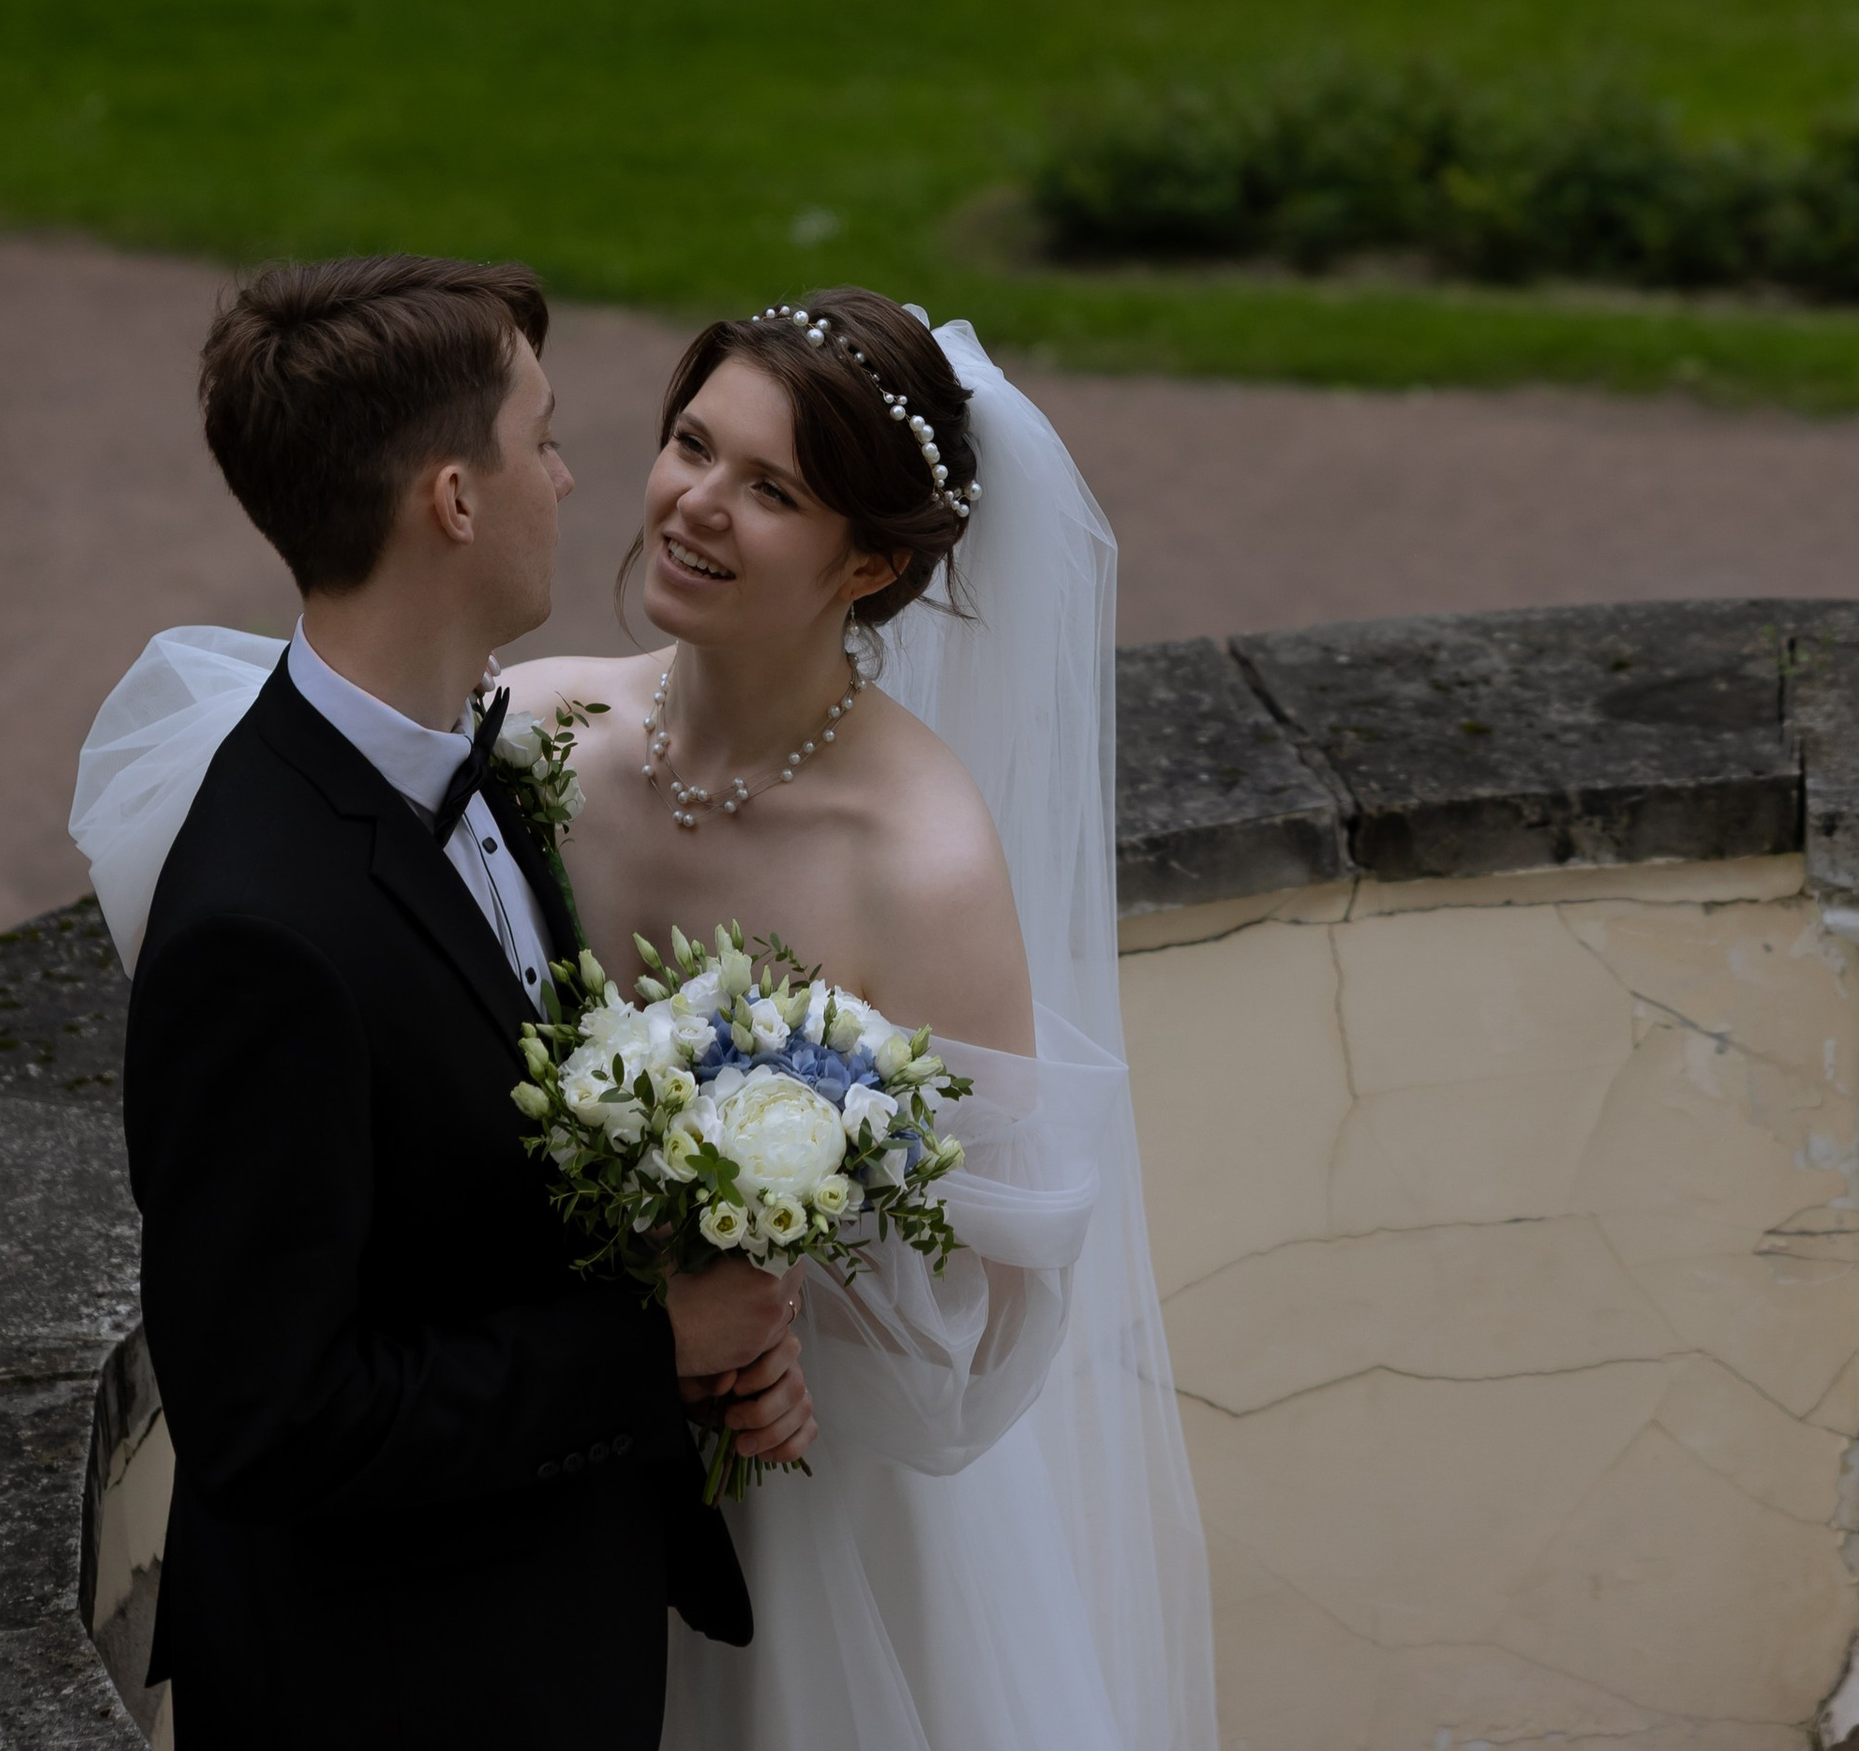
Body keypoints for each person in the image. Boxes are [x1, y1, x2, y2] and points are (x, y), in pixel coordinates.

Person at [74, 257, 811, 1751]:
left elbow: (469, 1210)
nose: (570, 476)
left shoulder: (466, 751)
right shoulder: (260, 932)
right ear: (455, 500)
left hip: (551, 1630)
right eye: (544, 436)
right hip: (400, 1689)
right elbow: (272, 1420)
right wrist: (651, 1344)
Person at [499, 292, 1216, 1751]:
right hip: (522, 1455)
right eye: (693, 445)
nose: (698, 505)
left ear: (873, 563)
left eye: (772, 491)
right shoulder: (533, 730)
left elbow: (997, 1298)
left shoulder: (919, 863)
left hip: (790, 1514)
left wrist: (787, 1330)